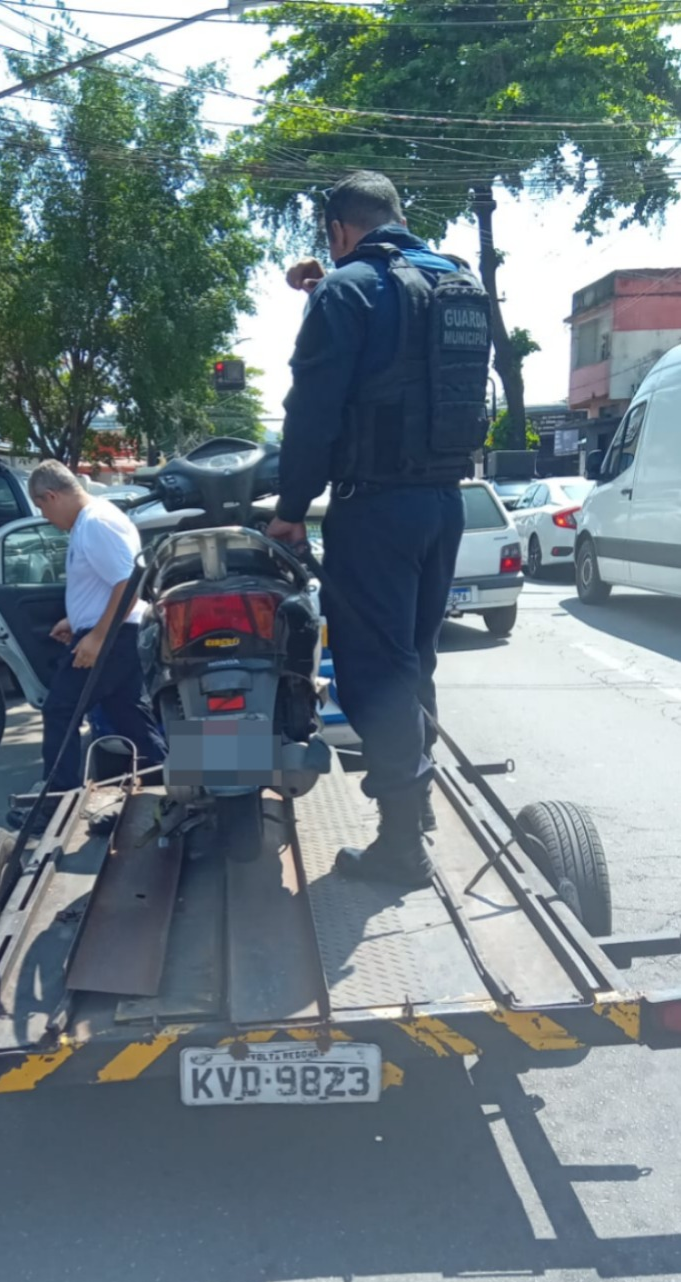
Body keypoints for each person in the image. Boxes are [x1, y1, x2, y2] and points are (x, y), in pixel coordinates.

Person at [267, 171, 490, 887]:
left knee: (373, 671)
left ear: (337, 228)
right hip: (442, 502)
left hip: (376, 508)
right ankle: (414, 811)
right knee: (413, 657)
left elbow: (315, 412)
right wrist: (327, 284)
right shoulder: (451, 280)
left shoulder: (348, 290)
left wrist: (290, 507)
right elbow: (405, 367)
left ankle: (400, 847)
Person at [9, 460, 166, 831]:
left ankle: (56, 802)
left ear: (51, 495)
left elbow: (126, 583)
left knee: (61, 710)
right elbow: (106, 583)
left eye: (43, 507)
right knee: (131, 718)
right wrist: (77, 619)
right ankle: (170, 790)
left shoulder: (95, 522)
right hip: (116, 633)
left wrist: (96, 636)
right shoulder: (95, 519)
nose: (46, 517)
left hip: (113, 637)